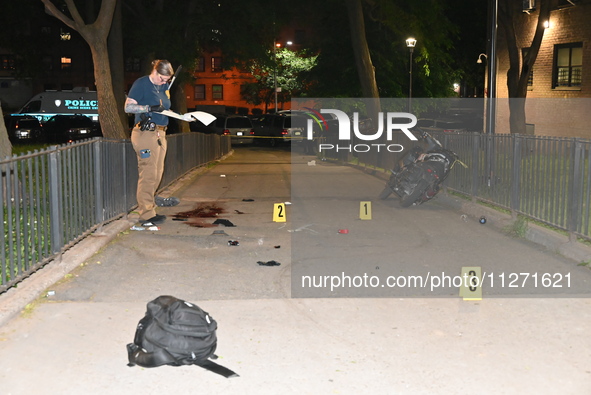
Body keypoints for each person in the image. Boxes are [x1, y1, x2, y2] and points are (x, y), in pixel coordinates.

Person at [125, 59, 180, 227]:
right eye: (162, 79)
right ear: (155, 72)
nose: (164, 82)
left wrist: (178, 116)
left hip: (160, 133)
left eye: (167, 80)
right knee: (148, 173)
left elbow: (165, 107)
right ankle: (146, 214)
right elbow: (128, 108)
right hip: (144, 133)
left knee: (157, 173)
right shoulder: (141, 84)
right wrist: (149, 108)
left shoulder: (163, 87)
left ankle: (150, 207)